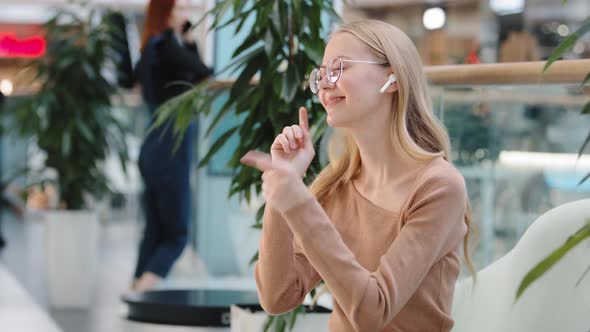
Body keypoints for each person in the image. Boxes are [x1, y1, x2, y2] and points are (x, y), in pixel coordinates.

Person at [240, 19, 476, 332]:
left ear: (392, 77)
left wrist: (297, 203)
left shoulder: (438, 187)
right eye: (321, 74)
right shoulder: (338, 186)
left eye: (339, 68)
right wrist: (283, 188)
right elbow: (276, 297)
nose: (324, 84)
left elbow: (373, 311)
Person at [132, 0, 213, 291]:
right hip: (171, 150)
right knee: (176, 236)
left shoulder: (149, 48)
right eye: (180, 10)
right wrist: (191, 42)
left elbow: (131, 80)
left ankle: (133, 294)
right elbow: (205, 72)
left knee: (153, 230)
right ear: (165, 14)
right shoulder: (168, 47)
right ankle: (141, 294)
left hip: (152, 148)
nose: (186, 16)